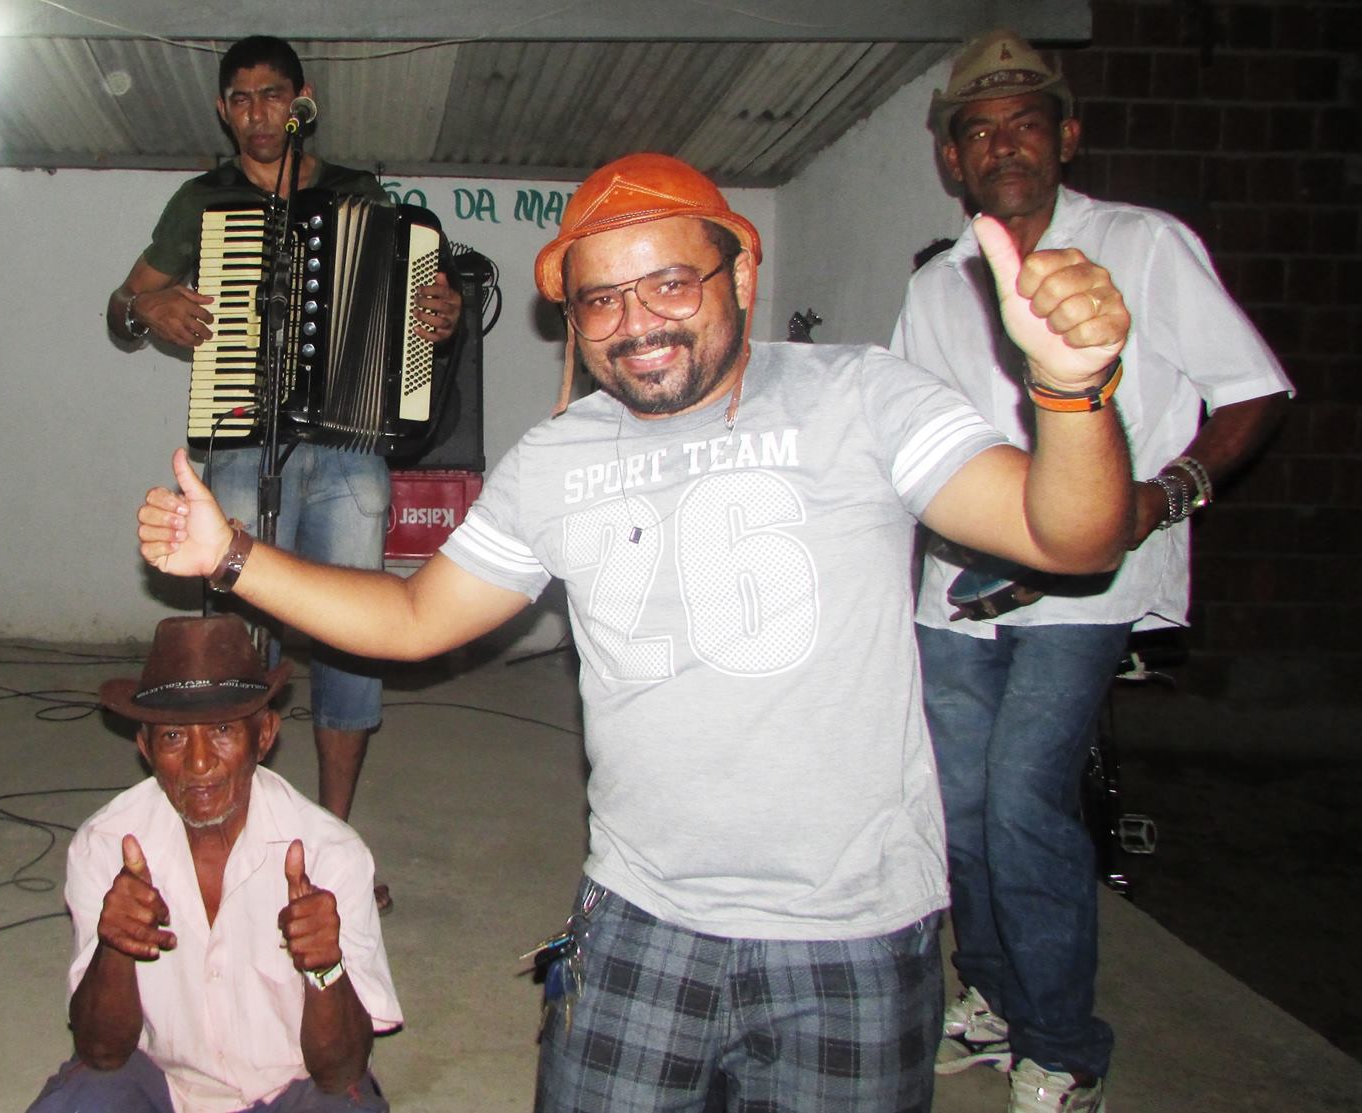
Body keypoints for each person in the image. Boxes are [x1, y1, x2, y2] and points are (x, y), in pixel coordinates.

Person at [138, 151, 1139, 1110]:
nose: (637, 323)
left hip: (852, 934)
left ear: (739, 273)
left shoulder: (861, 395)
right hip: (640, 917)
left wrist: (1071, 389)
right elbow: (412, 617)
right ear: (570, 319)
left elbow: (1070, 536)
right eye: (601, 300)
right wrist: (232, 555)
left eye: (669, 284)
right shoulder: (555, 459)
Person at [891, 30, 1293, 1113]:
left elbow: (1252, 389)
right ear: (951, 159)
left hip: (1085, 586)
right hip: (956, 591)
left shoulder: (1141, 245)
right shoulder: (936, 287)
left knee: (1023, 801)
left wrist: (1169, 493)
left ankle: (1064, 1048)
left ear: (1065, 137)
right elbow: (910, 445)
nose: (1003, 146)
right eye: (978, 132)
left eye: (1024, 124)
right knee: (957, 807)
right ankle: (987, 994)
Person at [106, 37, 463, 909]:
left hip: (349, 444)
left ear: (303, 101)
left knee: (353, 637)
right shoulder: (203, 201)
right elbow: (121, 308)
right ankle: (232, 837)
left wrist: (439, 311)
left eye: (272, 96)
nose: (257, 113)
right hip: (238, 441)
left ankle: (335, 840)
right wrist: (147, 305)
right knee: (235, 643)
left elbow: (412, 311)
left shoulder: (360, 194)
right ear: (222, 109)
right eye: (240, 98)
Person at [29, 614, 401, 1112]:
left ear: (264, 735)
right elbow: (101, 1053)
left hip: (292, 1088)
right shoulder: (105, 844)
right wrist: (114, 946)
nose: (200, 763)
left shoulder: (331, 854)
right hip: (159, 1083)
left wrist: (326, 969)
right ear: (145, 747)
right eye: (173, 737)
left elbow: (341, 1073)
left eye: (223, 730)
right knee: (80, 1101)